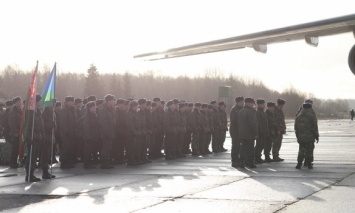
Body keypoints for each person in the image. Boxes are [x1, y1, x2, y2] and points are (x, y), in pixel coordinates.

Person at [25, 94, 44, 182]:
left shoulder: (38, 111)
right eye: (40, 101)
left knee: (34, 157)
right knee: (31, 157)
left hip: (37, 136)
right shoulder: (31, 112)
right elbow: (28, 126)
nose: (41, 102)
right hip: (32, 136)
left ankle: (31, 174)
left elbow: (41, 125)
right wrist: (29, 137)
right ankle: (28, 175)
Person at [294, 101, 319, 169]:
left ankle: (299, 164)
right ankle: (309, 163)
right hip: (310, 136)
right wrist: (317, 136)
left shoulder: (299, 116)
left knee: (301, 150)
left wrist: (297, 135)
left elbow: (296, 127)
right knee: (309, 150)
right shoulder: (311, 115)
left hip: (301, 137)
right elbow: (314, 126)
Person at [237, 98, 258, 168]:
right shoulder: (250, 112)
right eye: (252, 103)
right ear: (248, 103)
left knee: (242, 149)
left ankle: (241, 162)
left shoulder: (240, 111)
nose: (253, 105)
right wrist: (255, 133)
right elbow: (253, 124)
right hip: (249, 134)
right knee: (250, 150)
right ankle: (250, 163)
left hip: (241, 134)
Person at [98, 94, 116, 169]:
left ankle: (107, 162)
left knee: (108, 148)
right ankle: (104, 163)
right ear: (109, 101)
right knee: (105, 148)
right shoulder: (104, 109)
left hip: (110, 132)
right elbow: (103, 122)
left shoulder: (110, 109)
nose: (114, 102)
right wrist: (107, 132)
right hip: (106, 133)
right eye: (112, 100)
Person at [59, 96, 77, 169]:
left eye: (72, 101)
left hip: (72, 132)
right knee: (65, 148)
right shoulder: (64, 110)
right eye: (70, 101)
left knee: (71, 148)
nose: (72, 103)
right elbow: (63, 123)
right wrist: (67, 131)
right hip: (66, 133)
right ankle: (64, 162)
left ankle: (69, 162)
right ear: (66, 102)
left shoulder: (72, 110)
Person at [82, 101, 99, 169]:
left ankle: (89, 163)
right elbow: (86, 127)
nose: (95, 107)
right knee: (87, 151)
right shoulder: (87, 116)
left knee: (91, 150)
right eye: (94, 106)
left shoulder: (93, 114)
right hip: (88, 137)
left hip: (93, 136)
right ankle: (87, 164)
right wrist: (89, 137)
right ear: (90, 108)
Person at [42, 104, 57, 179]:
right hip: (46, 136)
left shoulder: (52, 113)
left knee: (48, 155)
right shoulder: (45, 114)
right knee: (45, 155)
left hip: (51, 136)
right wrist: (52, 124)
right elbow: (44, 125)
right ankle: (45, 172)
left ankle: (47, 171)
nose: (53, 107)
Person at [230, 96, 244, 168]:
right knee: (235, 146)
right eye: (242, 102)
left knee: (239, 147)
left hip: (239, 131)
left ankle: (237, 160)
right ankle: (234, 161)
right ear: (238, 102)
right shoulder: (235, 110)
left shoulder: (240, 109)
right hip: (235, 131)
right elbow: (235, 122)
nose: (243, 103)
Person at [8, 97, 22, 168]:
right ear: (15, 103)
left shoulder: (20, 110)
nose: (20, 103)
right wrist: (15, 132)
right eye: (19, 102)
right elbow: (12, 123)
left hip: (20, 132)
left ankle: (15, 162)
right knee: (14, 149)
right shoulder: (13, 111)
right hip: (15, 133)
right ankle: (12, 162)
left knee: (17, 149)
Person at [125, 100, 141, 166]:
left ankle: (133, 159)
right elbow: (130, 124)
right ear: (133, 106)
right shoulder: (129, 113)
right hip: (130, 133)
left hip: (135, 132)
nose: (137, 107)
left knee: (134, 147)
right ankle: (130, 160)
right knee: (131, 147)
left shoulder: (135, 112)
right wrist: (134, 132)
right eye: (136, 105)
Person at [255, 99, 268, 164]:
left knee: (261, 145)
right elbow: (258, 124)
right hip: (260, 133)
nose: (264, 105)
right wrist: (260, 132)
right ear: (259, 105)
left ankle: (258, 157)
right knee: (258, 146)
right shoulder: (258, 112)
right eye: (263, 104)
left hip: (264, 132)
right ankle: (256, 158)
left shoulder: (262, 112)